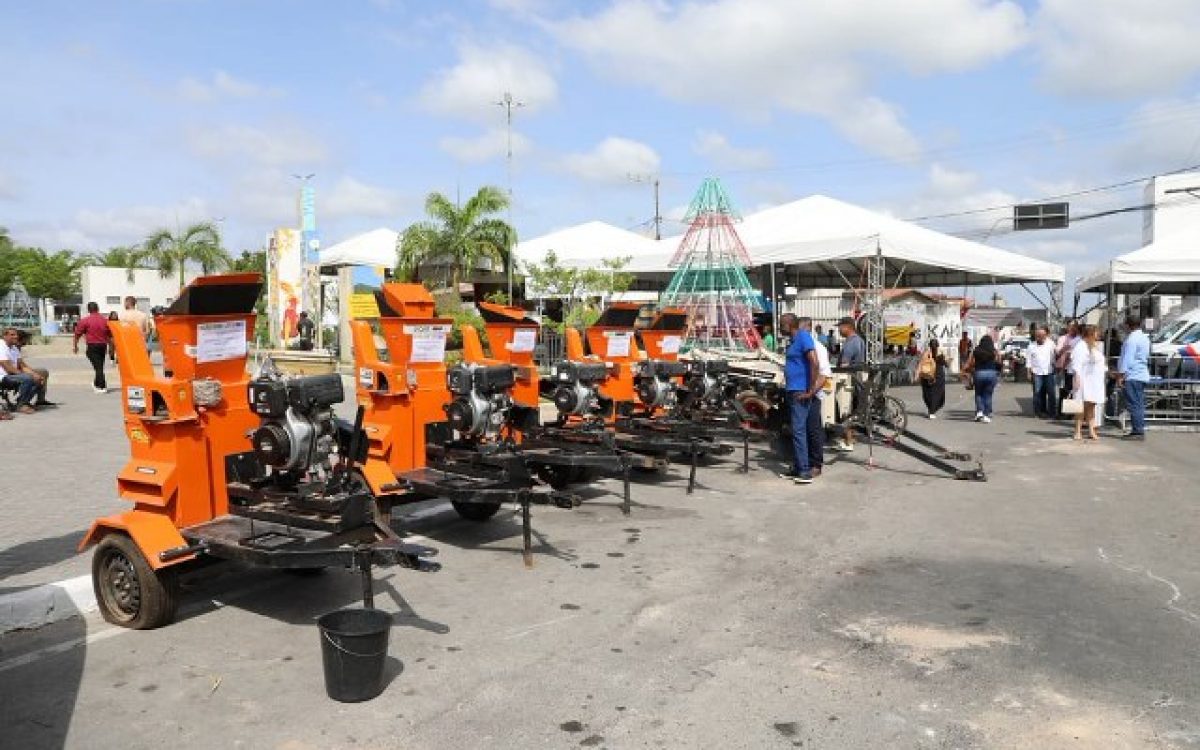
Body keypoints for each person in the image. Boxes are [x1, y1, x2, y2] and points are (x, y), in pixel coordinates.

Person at [778, 313, 820, 484]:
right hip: (793, 390)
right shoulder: (793, 341)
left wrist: (811, 389)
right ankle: (797, 467)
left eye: (781, 324)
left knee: (798, 431)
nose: (779, 328)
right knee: (796, 430)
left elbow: (814, 362)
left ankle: (804, 471)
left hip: (800, 391)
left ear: (789, 325)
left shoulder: (803, 337)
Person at [799, 317, 831, 477]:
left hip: (812, 395)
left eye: (800, 329)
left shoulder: (818, 348)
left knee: (813, 429)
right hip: (799, 394)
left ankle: (816, 464)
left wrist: (810, 393)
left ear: (808, 329)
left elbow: (824, 375)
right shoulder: (797, 345)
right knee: (801, 430)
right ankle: (802, 462)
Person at [0, 327, 54, 414]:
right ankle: (21, 405)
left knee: (40, 374)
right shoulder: (1, 347)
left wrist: (35, 374)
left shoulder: (14, 348)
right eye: (12, 335)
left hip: (13, 374)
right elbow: (8, 368)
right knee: (28, 378)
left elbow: (22, 366)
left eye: (16, 334)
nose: (16, 336)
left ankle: (30, 401)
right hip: (3, 377)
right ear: (4, 336)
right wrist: (30, 375)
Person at [833, 316, 865, 452]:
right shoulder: (859, 340)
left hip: (848, 380)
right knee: (851, 409)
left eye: (840, 327)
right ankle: (850, 437)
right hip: (857, 379)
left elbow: (844, 366)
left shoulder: (850, 343)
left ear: (847, 327)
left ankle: (848, 441)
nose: (839, 330)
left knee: (844, 410)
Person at [1116, 314, 1150, 440]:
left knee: (1134, 404)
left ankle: (1137, 431)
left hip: (1133, 375)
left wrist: (1121, 375)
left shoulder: (1131, 339)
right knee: (1138, 404)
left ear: (1128, 325)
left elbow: (1127, 359)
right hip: (1141, 374)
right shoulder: (1144, 337)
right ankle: (1138, 429)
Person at [1071, 324, 1107, 441]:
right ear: (1090, 333)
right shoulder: (1081, 346)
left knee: (1091, 406)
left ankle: (1092, 430)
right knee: (1080, 406)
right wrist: (1077, 377)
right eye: (1096, 332)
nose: (1098, 334)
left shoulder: (1095, 346)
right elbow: (1076, 363)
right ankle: (1077, 431)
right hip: (1084, 380)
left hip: (1094, 381)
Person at [74, 302, 112, 394]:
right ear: (98, 308)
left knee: (98, 367)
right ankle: (97, 383)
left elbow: (77, 334)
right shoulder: (105, 320)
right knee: (99, 366)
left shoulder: (85, 321)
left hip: (92, 345)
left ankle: (102, 386)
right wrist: (111, 346)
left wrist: (75, 346)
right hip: (102, 345)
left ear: (88, 310)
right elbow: (110, 335)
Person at [964, 334, 1001, 423]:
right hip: (991, 373)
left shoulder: (976, 351)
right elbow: (999, 362)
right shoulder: (994, 351)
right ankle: (986, 414)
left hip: (979, 373)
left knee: (979, 393)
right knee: (988, 394)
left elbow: (970, 362)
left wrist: (968, 371)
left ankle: (979, 412)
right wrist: (998, 371)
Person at [1027, 326, 1058, 418]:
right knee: (1037, 393)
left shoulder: (1051, 344)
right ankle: (1039, 412)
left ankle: (1052, 412)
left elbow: (1055, 355)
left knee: (1051, 393)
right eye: (1038, 335)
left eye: (1042, 335)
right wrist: (1028, 373)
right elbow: (1028, 360)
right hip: (1037, 372)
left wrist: (1057, 366)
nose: (1040, 337)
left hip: (1049, 372)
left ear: (1046, 335)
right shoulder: (1031, 346)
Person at [1055, 321, 1080, 418]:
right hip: (1065, 368)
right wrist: (1065, 349)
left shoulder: (1080, 339)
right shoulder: (1062, 338)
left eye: (1074, 326)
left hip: (1076, 369)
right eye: (1070, 326)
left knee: (1074, 391)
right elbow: (1058, 352)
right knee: (1064, 391)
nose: (1072, 328)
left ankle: (1071, 413)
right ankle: (1061, 412)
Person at [918, 338, 947, 418]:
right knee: (937, 394)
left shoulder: (926, 353)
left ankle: (930, 410)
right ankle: (932, 411)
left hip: (927, 375)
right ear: (938, 345)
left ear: (929, 345)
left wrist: (918, 374)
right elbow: (945, 364)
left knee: (928, 393)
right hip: (938, 375)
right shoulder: (940, 353)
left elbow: (921, 364)